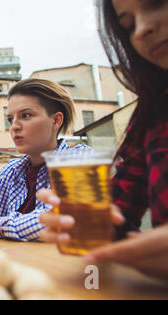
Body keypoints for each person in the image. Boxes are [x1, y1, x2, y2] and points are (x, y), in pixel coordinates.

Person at [38, 0, 168, 280]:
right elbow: (119, 210)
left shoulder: (78, 155)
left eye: (157, 3)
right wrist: (83, 223)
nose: (142, 29)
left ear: (57, 120)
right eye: (129, 25)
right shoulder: (153, 115)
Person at [0, 78, 91, 241]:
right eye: (10, 119)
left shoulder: (80, 158)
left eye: (25, 115)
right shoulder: (12, 170)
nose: (14, 126)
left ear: (56, 120)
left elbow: (62, 219)